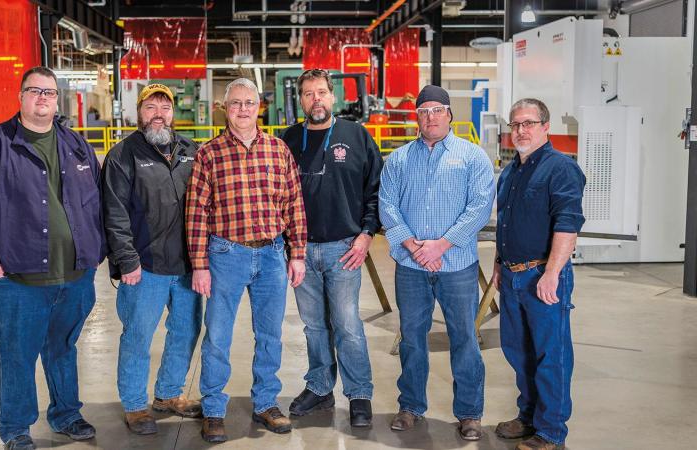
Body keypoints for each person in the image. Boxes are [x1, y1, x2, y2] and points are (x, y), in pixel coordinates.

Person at [0, 66, 105, 450]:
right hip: (17, 281)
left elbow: (98, 203)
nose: (42, 98)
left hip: (74, 276)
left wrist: (94, 253)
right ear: (20, 97)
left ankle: (66, 414)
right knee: (16, 357)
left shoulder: (75, 144)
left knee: (63, 350)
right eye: (34, 91)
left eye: (49, 92)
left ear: (57, 100)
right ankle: (16, 428)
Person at [185, 78, 308, 444]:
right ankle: (213, 409)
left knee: (270, 334)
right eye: (235, 103)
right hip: (226, 255)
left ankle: (266, 403)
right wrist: (199, 264)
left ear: (259, 107)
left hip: (271, 255)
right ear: (225, 108)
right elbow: (196, 212)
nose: (242, 109)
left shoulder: (278, 150)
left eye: (249, 102)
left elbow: (294, 203)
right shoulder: (209, 153)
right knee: (218, 336)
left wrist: (297, 253)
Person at [379, 84, 494, 441]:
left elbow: (479, 208)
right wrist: (413, 246)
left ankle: (470, 413)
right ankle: (411, 405)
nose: (431, 117)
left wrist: (440, 246)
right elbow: (387, 205)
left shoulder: (472, 157)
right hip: (411, 266)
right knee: (412, 338)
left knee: (464, 338)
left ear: (449, 115)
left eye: (437, 110)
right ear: (417, 117)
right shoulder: (398, 160)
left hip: (456, 265)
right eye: (424, 111)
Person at [280, 68, 382, 427]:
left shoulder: (356, 135)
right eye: (308, 94)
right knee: (313, 326)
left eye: (321, 92)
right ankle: (320, 387)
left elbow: (376, 190)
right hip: (301, 251)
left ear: (333, 95)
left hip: (344, 249)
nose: (316, 100)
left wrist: (367, 233)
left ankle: (359, 393)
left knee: (347, 324)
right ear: (301, 100)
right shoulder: (288, 139)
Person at [101, 84, 203, 435]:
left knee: (185, 331)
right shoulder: (123, 155)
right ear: (139, 112)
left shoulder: (191, 150)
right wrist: (126, 260)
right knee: (138, 336)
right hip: (144, 267)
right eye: (151, 107)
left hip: (187, 265)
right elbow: (114, 212)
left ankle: (168, 393)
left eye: (164, 107)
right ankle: (134, 404)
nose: (158, 114)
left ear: (172, 113)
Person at [492, 98, 585, 450]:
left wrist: (552, 273)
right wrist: (499, 264)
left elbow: (568, 224)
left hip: (543, 275)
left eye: (528, 123)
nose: (521, 130)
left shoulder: (561, 168)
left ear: (545, 126)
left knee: (551, 355)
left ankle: (551, 432)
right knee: (518, 351)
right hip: (512, 276)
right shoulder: (510, 172)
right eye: (516, 124)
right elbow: (506, 223)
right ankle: (528, 415)